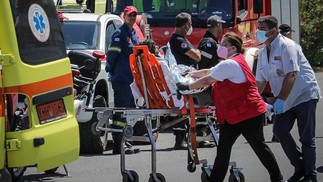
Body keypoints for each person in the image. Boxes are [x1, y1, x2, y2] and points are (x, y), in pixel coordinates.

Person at [177, 32, 284, 182]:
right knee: (224, 150)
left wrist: (186, 86)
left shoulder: (230, 64)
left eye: (224, 45)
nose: (220, 47)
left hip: (247, 113)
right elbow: (208, 71)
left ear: (233, 48)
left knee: (259, 148)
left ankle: (278, 178)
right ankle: (216, 179)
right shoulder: (233, 61)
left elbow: (207, 79)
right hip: (235, 114)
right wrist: (191, 73)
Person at [255, 15, 321, 182]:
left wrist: (280, 100)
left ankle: (310, 175)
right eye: (258, 28)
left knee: (306, 137)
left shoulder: (287, 46)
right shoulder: (263, 52)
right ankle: (300, 167)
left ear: (273, 30)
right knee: (279, 130)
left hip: (303, 94)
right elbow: (260, 81)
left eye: (262, 29)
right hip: (283, 97)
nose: (258, 32)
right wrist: (253, 99)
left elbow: (291, 74)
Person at [105, 6, 140, 155]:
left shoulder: (133, 34)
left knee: (129, 111)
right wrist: (111, 70)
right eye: (129, 15)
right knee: (121, 112)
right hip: (121, 79)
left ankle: (126, 140)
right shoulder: (119, 33)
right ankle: (118, 143)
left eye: (134, 15)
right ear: (124, 16)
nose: (131, 18)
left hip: (131, 80)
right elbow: (112, 55)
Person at [169, 12, 201, 150]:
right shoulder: (178, 40)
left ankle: (183, 138)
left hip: (184, 76)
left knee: (184, 108)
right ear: (186, 25)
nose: (191, 27)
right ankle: (180, 139)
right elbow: (197, 56)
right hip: (182, 77)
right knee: (183, 108)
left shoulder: (180, 38)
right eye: (190, 24)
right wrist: (196, 51)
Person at [194, 15, 225, 148]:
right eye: (221, 25)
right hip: (206, 83)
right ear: (218, 25)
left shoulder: (211, 41)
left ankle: (206, 136)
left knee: (207, 111)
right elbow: (203, 64)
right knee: (204, 111)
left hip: (208, 82)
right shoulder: (208, 43)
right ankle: (202, 139)